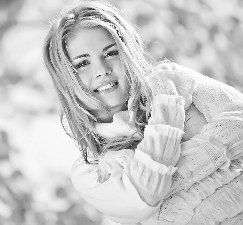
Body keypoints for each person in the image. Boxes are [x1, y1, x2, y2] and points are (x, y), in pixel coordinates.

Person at [43, 1, 243, 224]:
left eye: (110, 53)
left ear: (127, 50)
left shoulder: (172, 79)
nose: (101, 70)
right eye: (82, 64)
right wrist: (166, 112)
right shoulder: (90, 171)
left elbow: (240, 119)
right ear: (65, 80)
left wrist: (170, 181)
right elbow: (145, 196)